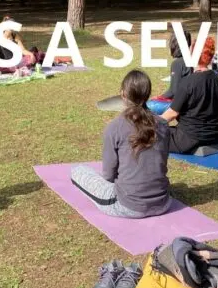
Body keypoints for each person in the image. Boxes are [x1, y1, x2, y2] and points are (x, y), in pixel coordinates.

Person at [71, 70, 171, 219]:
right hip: (163, 202)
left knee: (77, 171)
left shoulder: (115, 127)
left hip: (127, 205)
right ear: (147, 94)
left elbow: (109, 174)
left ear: (123, 94)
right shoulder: (163, 124)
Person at [161, 37, 218, 154]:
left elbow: (171, 114)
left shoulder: (188, 83)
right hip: (217, 136)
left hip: (190, 138)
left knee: (152, 136)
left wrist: (151, 124)